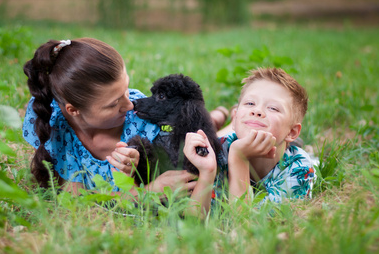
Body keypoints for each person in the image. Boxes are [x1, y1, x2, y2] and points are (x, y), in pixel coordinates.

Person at [22, 38, 215, 213]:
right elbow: (77, 200)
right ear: (73, 110)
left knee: (221, 136)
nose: (130, 104)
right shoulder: (51, 122)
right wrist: (150, 192)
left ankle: (221, 116)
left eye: (126, 90)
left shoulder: (142, 122)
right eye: (114, 103)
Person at [224, 67, 315, 204]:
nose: (257, 110)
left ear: (292, 132)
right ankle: (218, 117)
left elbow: (243, 221)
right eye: (250, 103)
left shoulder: (299, 169)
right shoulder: (217, 150)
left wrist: (238, 158)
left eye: (273, 108)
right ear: (236, 118)